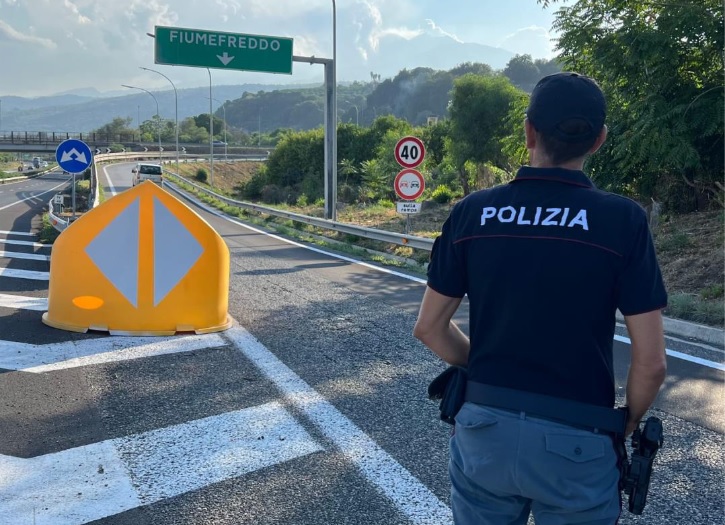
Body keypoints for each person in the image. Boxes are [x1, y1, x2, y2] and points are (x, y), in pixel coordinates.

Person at [413, 72, 667, 525]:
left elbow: (429, 328)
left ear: (528, 132)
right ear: (599, 140)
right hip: (578, 440)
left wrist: (483, 363)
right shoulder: (622, 221)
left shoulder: (474, 211)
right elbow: (651, 364)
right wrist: (626, 421)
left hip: (483, 429)